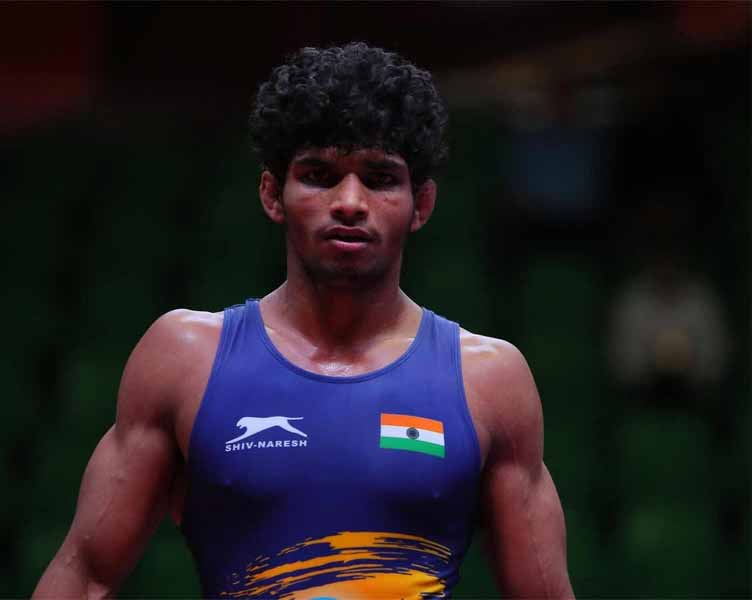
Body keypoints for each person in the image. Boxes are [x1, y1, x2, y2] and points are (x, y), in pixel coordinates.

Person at [34, 42, 574, 599]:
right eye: (319, 175)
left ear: (422, 204)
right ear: (273, 193)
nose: (350, 202)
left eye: (379, 178)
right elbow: (85, 576)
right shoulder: (184, 357)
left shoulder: (489, 379)